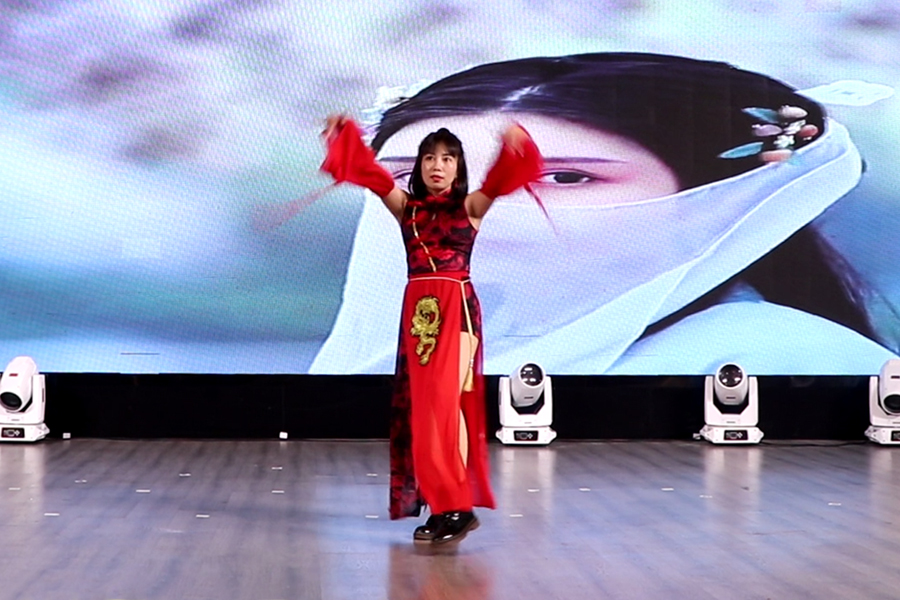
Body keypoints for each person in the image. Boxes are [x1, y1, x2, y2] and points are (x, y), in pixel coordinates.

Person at [310, 52, 898, 377]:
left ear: (722, 200)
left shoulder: (770, 360)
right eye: (419, 179)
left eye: (565, 177)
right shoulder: (424, 350)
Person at [320, 115, 543, 543]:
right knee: (422, 414)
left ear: (459, 168)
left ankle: (457, 506)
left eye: (447, 159)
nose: (437, 166)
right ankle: (444, 505)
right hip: (419, 315)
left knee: (444, 411)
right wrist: (343, 134)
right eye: (428, 158)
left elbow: (504, 178)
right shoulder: (407, 209)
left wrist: (514, 144)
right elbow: (369, 173)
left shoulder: (470, 207)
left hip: (456, 311)